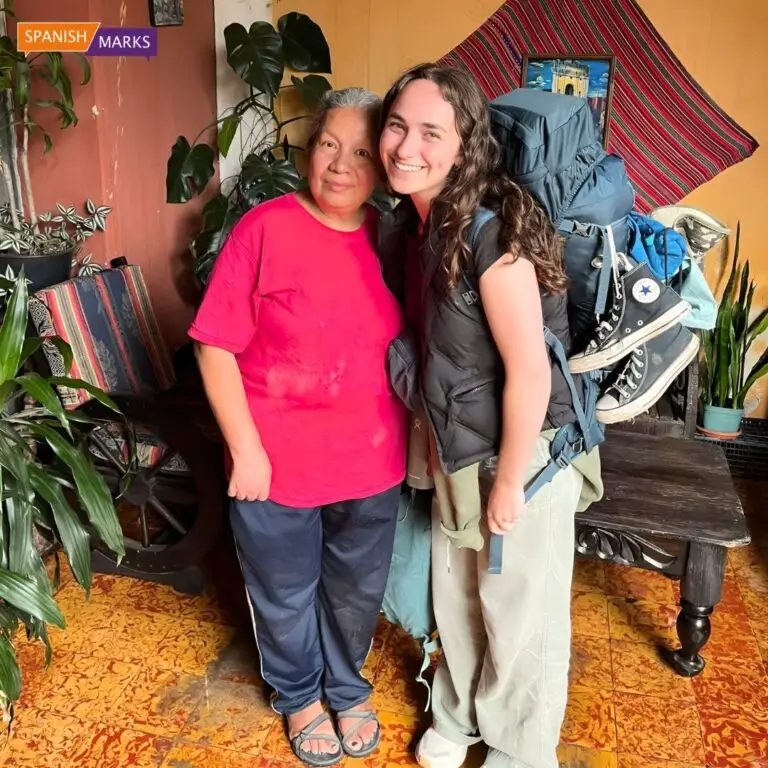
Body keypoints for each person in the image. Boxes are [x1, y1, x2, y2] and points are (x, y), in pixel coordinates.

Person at [378, 64, 601, 768]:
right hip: (461, 446)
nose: (405, 146)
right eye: (396, 126)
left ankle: (520, 744)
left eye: (430, 132)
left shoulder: (491, 234)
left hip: (525, 452)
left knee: (519, 609)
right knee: (458, 591)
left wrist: (508, 482)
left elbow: (530, 371)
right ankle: (460, 716)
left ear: (465, 142)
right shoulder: (417, 226)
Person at [188, 87, 408, 768]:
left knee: (354, 593)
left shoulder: (397, 239)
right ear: (308, 151)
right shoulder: (264, 228)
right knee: (282, 593)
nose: (341, 165)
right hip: (275, 463)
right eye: (328, 145)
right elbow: (214, 343)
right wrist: (244, 449)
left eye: (363, 151)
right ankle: (300, 698)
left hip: (374, 461)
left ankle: (345, 687)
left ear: (385, 165)